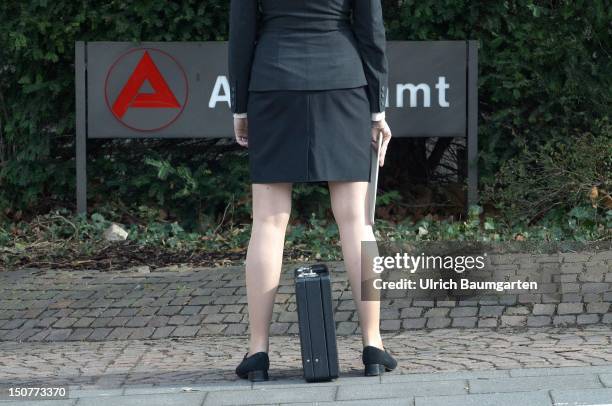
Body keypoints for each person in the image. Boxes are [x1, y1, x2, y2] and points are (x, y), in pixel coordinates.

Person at [228, 0, 396, 381]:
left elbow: (241, 33)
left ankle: (258, 351)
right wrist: (378, 110)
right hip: (343, 83)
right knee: (357, 221)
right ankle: (373, 343)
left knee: (268, 221)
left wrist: (240, 108)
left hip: (273, 84)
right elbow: (372, 31)